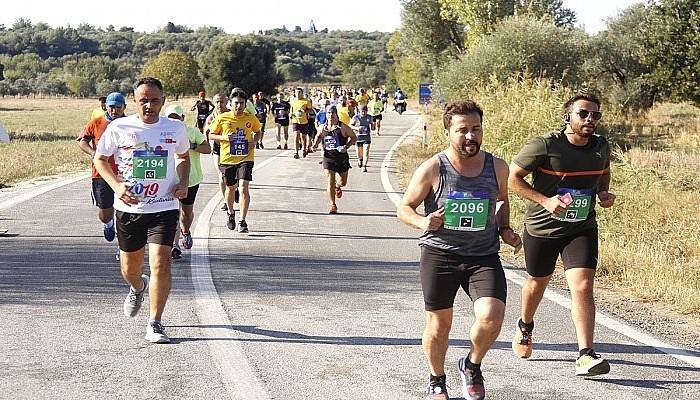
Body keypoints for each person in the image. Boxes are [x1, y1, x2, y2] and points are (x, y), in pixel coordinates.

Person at [397, 100, 522, 400]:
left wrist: (505, 229)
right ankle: (436, 379)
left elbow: (502, 200)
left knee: (492, 316)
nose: (470, 136)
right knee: (440, 326)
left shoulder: (497, 167)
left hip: (482, 256)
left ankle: (471, 364)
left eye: (476, 129)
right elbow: (404, 208)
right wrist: (424, 221)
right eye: (462, 130)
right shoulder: (433, 168)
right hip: (441, 255)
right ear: (448, 132)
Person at [508, 93, 614, 377]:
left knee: (582, 287)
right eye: (584, 114)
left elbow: (603, 174)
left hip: (581, 226)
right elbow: (512, 178)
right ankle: (525, 325)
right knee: (537, 283)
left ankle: (585, 354)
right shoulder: (545, 145)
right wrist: (545, 201)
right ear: (567, 116)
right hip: (543, 229)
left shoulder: (601, 146)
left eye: (595, 115)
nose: (590, 119)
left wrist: (603, 193)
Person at [93, 77, 191, 344]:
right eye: (143, 100)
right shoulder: (120, 127)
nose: (149, 105)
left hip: (164, 206)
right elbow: (100, 159)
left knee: (161, 261)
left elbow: (183, 156)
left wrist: (182, 182)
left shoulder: (175, 127)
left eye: (154, 100)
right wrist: (116, 186)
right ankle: (137, 286)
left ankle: (155, 322)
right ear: (134, 101)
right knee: (130, 267)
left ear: (163, 100)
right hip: (129, 208)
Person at [77, 92, 127, 248]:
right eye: (111, 107)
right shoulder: (96, 122)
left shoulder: (130, 123)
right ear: (105, 106)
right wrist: (93, 153)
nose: (114, 111)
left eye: (118, 107)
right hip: (101, 173)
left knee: (125, 212)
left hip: (125, 173)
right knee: (105, 213)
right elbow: (82, 141)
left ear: (124, 107)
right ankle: (108, 224)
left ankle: (124, 246)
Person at [209, 88, 262, 233]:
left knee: (244, 187)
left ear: (246, 104)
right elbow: (211, 135)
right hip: (228, 159)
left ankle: (242, 221)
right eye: (236, 103)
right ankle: (231, 213)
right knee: (230, 189)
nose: (239, 106)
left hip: (246, 157)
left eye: (242, 103)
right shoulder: (222, 118)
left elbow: (258, 131)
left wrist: (254, 142)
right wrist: (224, 138)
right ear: (231, 104)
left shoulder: (250, 118)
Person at [166, 105, 211, 260]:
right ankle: (174, 245)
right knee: (172, 213)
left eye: (176, 117)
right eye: (170, 118)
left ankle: (186, 231)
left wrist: (192, 146)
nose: (173, 120)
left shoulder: (192, 132)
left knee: (186, 212)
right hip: (170, 179)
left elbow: (207, 148)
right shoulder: (162, 133)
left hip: (191, 179)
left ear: (182, 118)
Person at [312, 105, 356, 214]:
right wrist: (314, 145)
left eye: (333, 113)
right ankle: (333, 205)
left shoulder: (343, 127)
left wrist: (346, 146)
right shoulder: (323, 127)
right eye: (329, 113)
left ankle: (338, 186)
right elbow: (318, 136)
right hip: (328, 157)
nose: (331, 115)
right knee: (330, 180)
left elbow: (354, 137)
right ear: (326, 115)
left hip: (341, 158)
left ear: (336, 115)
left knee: (343, 182)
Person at [205, 93, 230, 211]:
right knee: (221, 174)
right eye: (217, 102)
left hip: (231, 149)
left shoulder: (232, 114)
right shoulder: (211, 117)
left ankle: (233, 191)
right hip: (218, 149)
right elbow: (206, 132)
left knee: (232, 175)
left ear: (226, 101)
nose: (219, 104)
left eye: (221, 101)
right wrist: (207, 146)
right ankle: (225, 200)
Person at [290, 87, 313, 159]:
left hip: (304, 121)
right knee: (296, 135)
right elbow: (291, 110)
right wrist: (290, 114)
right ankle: (296, 152)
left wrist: (305, 112)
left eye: (299, 92)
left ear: (302, 93)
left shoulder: (306, 101)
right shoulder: (293, 101)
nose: (298, 94)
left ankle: (304, 149)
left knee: (303, 137)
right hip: (295, 121)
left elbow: (311, 111)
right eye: (296, 93)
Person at [350, 105, 372, 172]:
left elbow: (372, 125)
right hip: (358, 137)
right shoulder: (356, 117)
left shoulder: (369, 117)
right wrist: (357, 128)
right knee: (359, 153)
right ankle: (360, 160)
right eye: (362, 112)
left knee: (366, 151)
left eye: (365, 112)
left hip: (366, 136)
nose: (363, 113)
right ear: (359, 111)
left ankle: (364, 166)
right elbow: (350, 125)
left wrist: (373, 126)